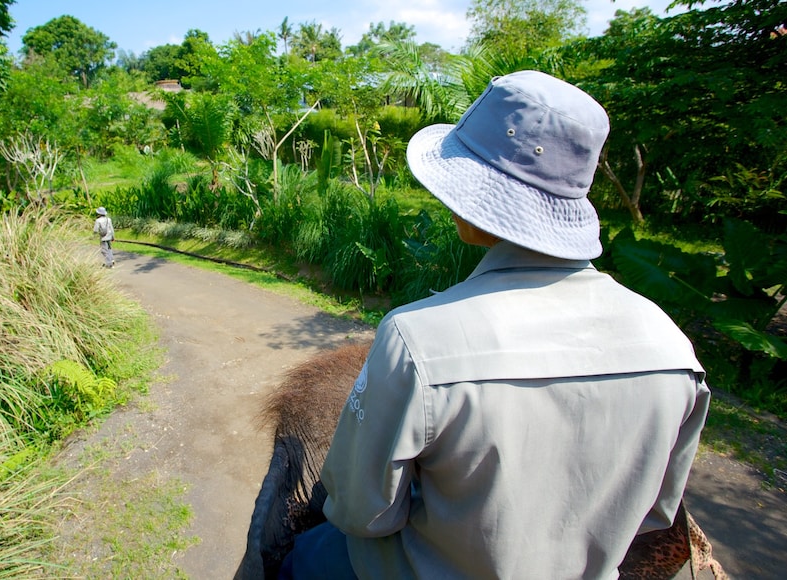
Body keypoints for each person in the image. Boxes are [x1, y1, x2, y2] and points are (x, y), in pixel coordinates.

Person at [281, 70, 710, 579]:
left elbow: (363, 514)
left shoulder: (417, 337)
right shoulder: (673, 347)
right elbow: (656, 514)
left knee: (298, 559)